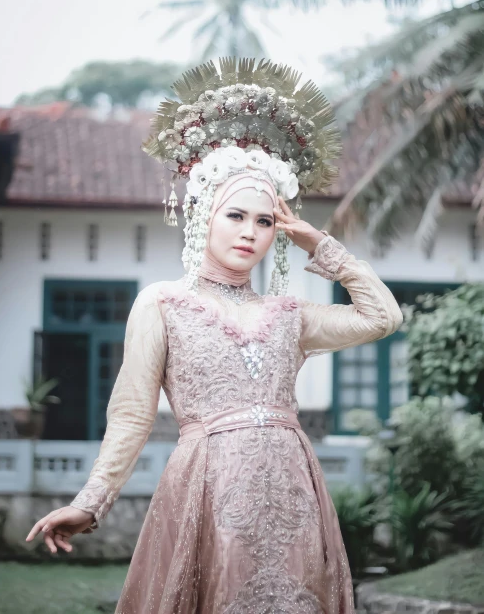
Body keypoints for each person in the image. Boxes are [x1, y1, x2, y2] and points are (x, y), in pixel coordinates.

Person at [26, 58, 403, 613]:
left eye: (265, 221)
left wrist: (315, 242)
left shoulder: (289, 313)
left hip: (293, 492)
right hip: (206, 490)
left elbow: (383, 317)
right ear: (203, 216)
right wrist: (93, 500)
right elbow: (132, 414)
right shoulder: (162, 303)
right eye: (236, 216)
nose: (251, 232)